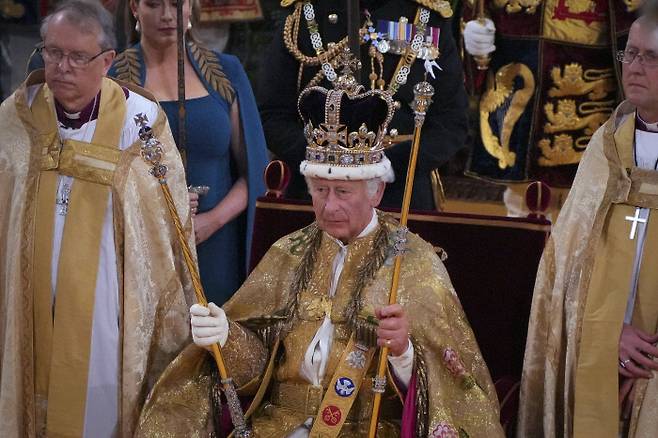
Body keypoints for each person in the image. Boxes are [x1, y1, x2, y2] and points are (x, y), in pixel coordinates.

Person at [134, 68, 504, 437]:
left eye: (343, 193)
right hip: (278, 426)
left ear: (375, 192)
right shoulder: (288, 253)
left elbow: (456, 386)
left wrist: (404, 353)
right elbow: (253, 375)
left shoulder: (416, 263)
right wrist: (226, 337)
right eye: (319, 190)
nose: (329, 207)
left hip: (369, 427)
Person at [0, 1, 194, 436]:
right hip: (24, 303)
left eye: (77, 57)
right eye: (52, 53)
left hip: (108, 305)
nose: (61, 67)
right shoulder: (15, 118)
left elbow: (161, 230)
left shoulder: (139, 124)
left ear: (107, 61)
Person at [518, 4, 658, 437]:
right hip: (601, 348)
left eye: (651, 57)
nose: (635, 67)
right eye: (630, 53)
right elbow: (565, 266)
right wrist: (608, 331)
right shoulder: (606, 147)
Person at [109, 0, 269, 305]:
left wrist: (213, 221)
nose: (167, 15)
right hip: (143, 244)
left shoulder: (225, 72)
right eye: (154, 5)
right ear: (134, 8)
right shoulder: (113, 79)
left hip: (217, 247)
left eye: (176, 4)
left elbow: (255, 170)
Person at [258, 0, 469, 211]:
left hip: (401, 193)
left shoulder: (425, 16)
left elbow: (451, 122)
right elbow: (272, 114)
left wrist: (391, 166)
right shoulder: (306, 15)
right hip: (316, 191)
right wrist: (322, 162)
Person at [462, 0, 639, 214]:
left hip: (597, 119)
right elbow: (480, 13)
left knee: (592, 222)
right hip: (524, 122)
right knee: (523, 219)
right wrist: (472, 35)